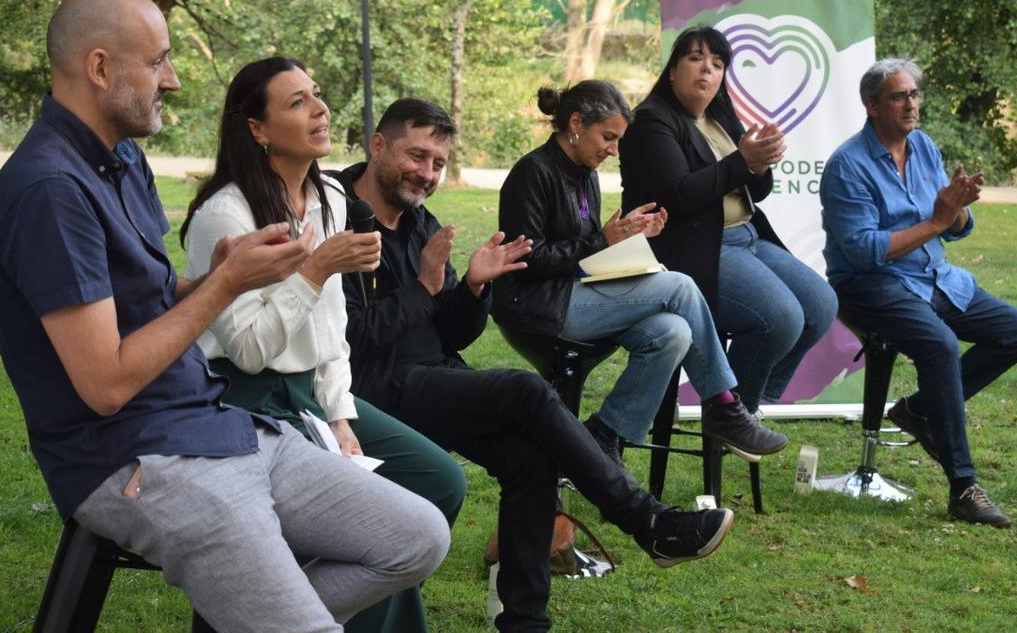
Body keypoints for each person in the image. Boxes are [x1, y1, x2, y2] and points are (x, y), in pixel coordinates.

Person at [0, 0, 449, 631]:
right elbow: (106, 384)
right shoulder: (51, 190)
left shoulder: (120, 159)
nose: (170, 80)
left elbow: (144, 300)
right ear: (99, 69)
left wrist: (212, 275)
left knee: (420, 534)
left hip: (213, 423)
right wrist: (226, 286)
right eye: (158, 62)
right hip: (136, 457)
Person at [337, 98, 736, 632]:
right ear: (377, 145)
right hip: (370, 390)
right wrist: (423, 289)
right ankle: (648, 521)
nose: (427, 173)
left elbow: (452, 332)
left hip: (433, 374)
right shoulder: (336, 217)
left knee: (529, 459)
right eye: (417, 156)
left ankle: (525, 623)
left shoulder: (418, 221)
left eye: (437, 163)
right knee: (526, 392)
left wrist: (474, 286)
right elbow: (350, 341)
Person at [180, 57, 467, 633]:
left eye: (317, 94)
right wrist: (314, 270)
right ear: (257, 129)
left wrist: (339, 413)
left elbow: (332, 328)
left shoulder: (331, 196)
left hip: (308, 399)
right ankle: (265, 613)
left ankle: (275, 610)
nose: (320, 108)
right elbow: (250, 352)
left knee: (438, 480)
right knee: (384, 523)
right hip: (241, 402)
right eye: (297, 102)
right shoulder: (226, 214)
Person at [492, 80, 787, 470]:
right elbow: (529, 259)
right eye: (608, 137)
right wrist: (602, 241)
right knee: (680, 284)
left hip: (573, 293)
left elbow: (583, 251)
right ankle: (723, 406)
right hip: (534, 305)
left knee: (673, 332)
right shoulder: (533, 172)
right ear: (576, 123)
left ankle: (606, 432)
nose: (613, 150)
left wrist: (627, 238)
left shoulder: (585, 173)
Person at [820, 58, 1017, 528]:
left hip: (932, 276)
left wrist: (957, 208)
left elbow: (953, 226)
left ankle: (920, 410)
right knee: (940, 345)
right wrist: (938, 221)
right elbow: (863, 251)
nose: (912, 104)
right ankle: (964, 487)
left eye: (915, 94)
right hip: (869, 285)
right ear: (872, 106)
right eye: (899, 96)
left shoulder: (922, 147)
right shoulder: (847, 165)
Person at [620, 26, 838, 416]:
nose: (707, 69)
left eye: (717, 64)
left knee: (821, 304)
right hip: (696, 247)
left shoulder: (719, 115)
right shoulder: (650, 122)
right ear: (672, 70)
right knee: (781, 317)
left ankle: (745, 402)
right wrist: (742, 161)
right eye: (695, 58)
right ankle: (729, 413)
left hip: (747, 237)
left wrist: (760, 161)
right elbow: (678, 195)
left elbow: (755, 189)